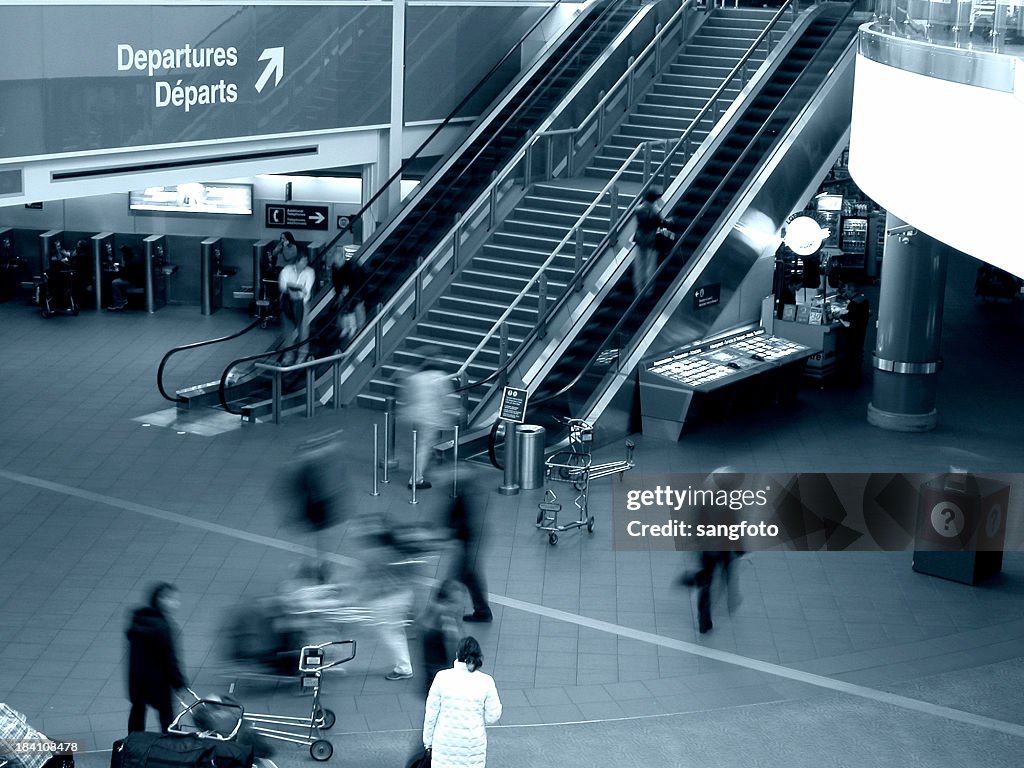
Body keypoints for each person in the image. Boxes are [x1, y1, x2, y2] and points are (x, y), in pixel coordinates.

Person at [422, 636, 502, 768]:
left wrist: (428, 742)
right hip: (473, 744)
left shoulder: (442, 677)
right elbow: (492, 717)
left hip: (444, 743)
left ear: (457, 654)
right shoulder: (486, 681)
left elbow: (431, 713)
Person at [126, 582, 188, 732]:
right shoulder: (163, 627)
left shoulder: (139, 619)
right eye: (172, 599)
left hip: (138, 679)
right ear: (161, 600)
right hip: (158, 681)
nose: (176, 603)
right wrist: (179, 683)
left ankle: (133, 743)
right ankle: (172, 745)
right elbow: (169, 659)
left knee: (138, 712)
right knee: (167, 716)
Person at [403, 348, 455, 490]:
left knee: (423, 444)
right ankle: (416, 479)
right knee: (424, 447)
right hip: (430, 417)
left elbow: (408, 396)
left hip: (416, 415)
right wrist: (454, 411)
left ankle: (431, 463)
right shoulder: (439, 376)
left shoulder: (415, 377)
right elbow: (446, 398)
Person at [446, 476, 493, 623]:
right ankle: (482, 611)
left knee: (456, 580)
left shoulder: (462, 500)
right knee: (469, 577)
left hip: (464, 545)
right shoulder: (467, 498)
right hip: (466, 544)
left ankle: (445, 613)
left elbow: (458, 523)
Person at [417, 580, 463, 697]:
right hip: (443, 670)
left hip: (430, 669)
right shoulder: (446, 616)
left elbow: (420, 623)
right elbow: (452, 641)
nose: (459, 605)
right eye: (455, 601)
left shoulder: (432, 610)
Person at [278, 251, 315, 365]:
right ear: (297, 261)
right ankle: (288, 356)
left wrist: (291, 288)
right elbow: (283, 286)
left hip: (302, 304)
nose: (306, 263)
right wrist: (298, 287)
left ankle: (302, 355)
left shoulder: (310, 272)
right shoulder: (286, 270)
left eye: (306, 261)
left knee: (303, 329)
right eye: (303, 261)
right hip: (287, 304)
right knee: (288, 330)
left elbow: (306, 291)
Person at [330, 249, 366, 349]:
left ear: (342, 258)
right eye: (335, 263)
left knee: (356, 309)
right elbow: (336, 282)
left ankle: (359, 332)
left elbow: (359, 283)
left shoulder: (353, 267)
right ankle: (346, 327)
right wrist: (340, 294)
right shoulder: (335, 268)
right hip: (345, 291)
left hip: (357, 291)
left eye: (338, 262)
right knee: (344, 310)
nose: (337, 265)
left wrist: (350, 293)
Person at [631, 186, 663, 295]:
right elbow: (661, 223)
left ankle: (638, 289)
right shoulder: (655, 210)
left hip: (640, 240)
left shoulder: (638, 209)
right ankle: (648, 290)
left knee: (639, 265)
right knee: (650, 266)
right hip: (651, 241)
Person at [839, 284, 870, 385]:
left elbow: (850, 316)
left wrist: (840, 316)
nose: (846, 292)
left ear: (851, 291)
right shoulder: (863, 299)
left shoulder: (854, 303)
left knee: (851, 354)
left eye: (847, 290)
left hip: (853, 331)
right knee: (858, 353)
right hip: (861, 330)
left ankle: (851, 378)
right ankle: (856, 376)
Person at [108, 245, 143, 311]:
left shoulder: (130, 262)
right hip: (136, 280)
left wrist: (122, 265)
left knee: (115, 283)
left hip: (133, 281)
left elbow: (125, 276)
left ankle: (118, 304)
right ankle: (123, 299)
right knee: (119, 282)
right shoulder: (134, 258)